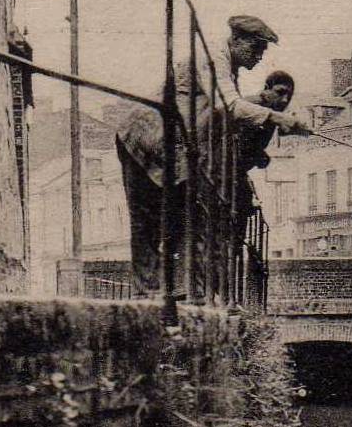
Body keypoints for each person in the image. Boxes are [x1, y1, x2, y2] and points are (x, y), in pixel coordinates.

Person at [116, 15, 308, 296]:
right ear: (237, 40)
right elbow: (227, 105)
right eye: (255, 49)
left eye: (262, 51)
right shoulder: (212, 59)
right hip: (144, 138)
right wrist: (277, 118)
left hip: (171, 149)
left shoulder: (228, 68)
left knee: (177, 217)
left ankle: (173, 291)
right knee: (147, 219)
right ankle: (149, 294)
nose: (258, 57)